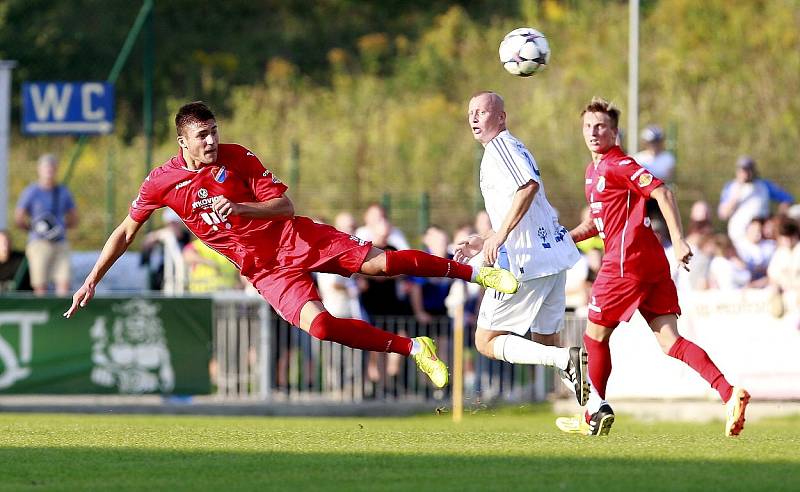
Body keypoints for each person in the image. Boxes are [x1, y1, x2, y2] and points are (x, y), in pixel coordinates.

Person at [63, 101, 520, 390]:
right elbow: (126, 231)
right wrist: (92, 279)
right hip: (265, 272)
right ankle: (414, 348)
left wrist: (243, 211)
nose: (211, 140)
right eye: (202, 135)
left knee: (379, 267)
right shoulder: (162, 182)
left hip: (294, 237)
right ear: (182, 141)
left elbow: (284, 205)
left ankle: (476, 273)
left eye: (214, 130)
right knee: (320, 328)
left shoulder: (237, 157)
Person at [556, 97, 749, 437]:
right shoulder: (593, 172)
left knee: (594, 336)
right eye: (588, 126)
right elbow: (597, 223)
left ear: (615, 132)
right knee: (670, 341)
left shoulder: (619, 164)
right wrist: (566, 238)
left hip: (625, 262)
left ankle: (593, 414)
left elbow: (663, 193)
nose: (593, 132)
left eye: (601, 126)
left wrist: (679, 240)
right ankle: (728, 392)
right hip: (648, 263)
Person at [453, 91, 588, 406]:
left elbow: (528, 187)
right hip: (552, 259)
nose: (474, 118)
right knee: (546, 341)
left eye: (482, 112)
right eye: (470, 112)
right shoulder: (512, 147)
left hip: (524, 262)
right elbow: (525, 205)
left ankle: (564, 360)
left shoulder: (500, 148)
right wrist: (486, 237)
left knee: (485, 340)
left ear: (501, 117)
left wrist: (499, 236)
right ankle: (595, 409)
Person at [14, 153, 78, 296]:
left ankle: (62, 314)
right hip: (39, 242)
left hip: (60, 242)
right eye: (46, 168)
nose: (49, 171)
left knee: (64, 282)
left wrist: (59, 229)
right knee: (40, 283)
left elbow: (74, 217)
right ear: (39, 169)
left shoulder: (63, 191)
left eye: (52, 168)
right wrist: (34, 228)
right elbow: (19, 217)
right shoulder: (31, 192)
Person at [718, 155, 794, 243]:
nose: (745, 173)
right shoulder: (731, 187)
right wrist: (737, 192)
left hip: (762, 236)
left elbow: (787, 199)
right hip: (738, 236)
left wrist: (778, 220)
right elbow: (723, 214)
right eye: (743, 170)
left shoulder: (764, 185)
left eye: (748, 169)